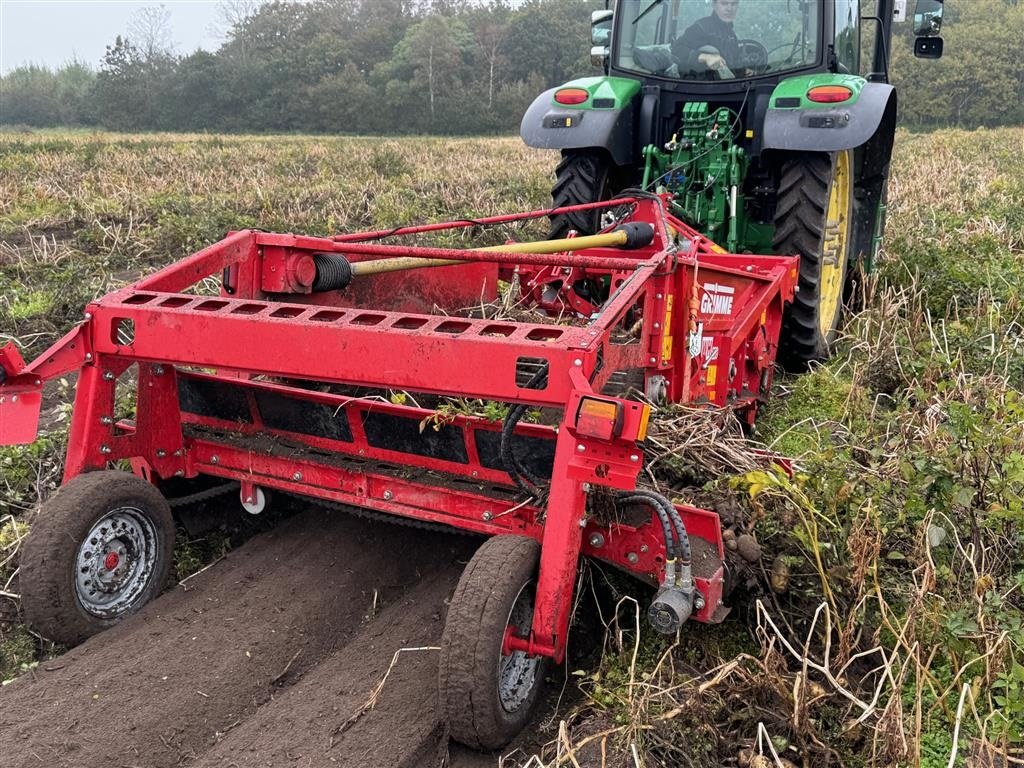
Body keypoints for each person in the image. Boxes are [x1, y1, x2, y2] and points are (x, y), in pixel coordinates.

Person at [672, 0, 743, 78]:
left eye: (734, 4)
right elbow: (676, 49)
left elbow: (733, 65)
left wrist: (744, 71)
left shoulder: (731, 35)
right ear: (714, 5)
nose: (729, 8)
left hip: (729, 86)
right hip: (701, 86)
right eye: (724, 3)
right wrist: (705, 57)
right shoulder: (701, 27)